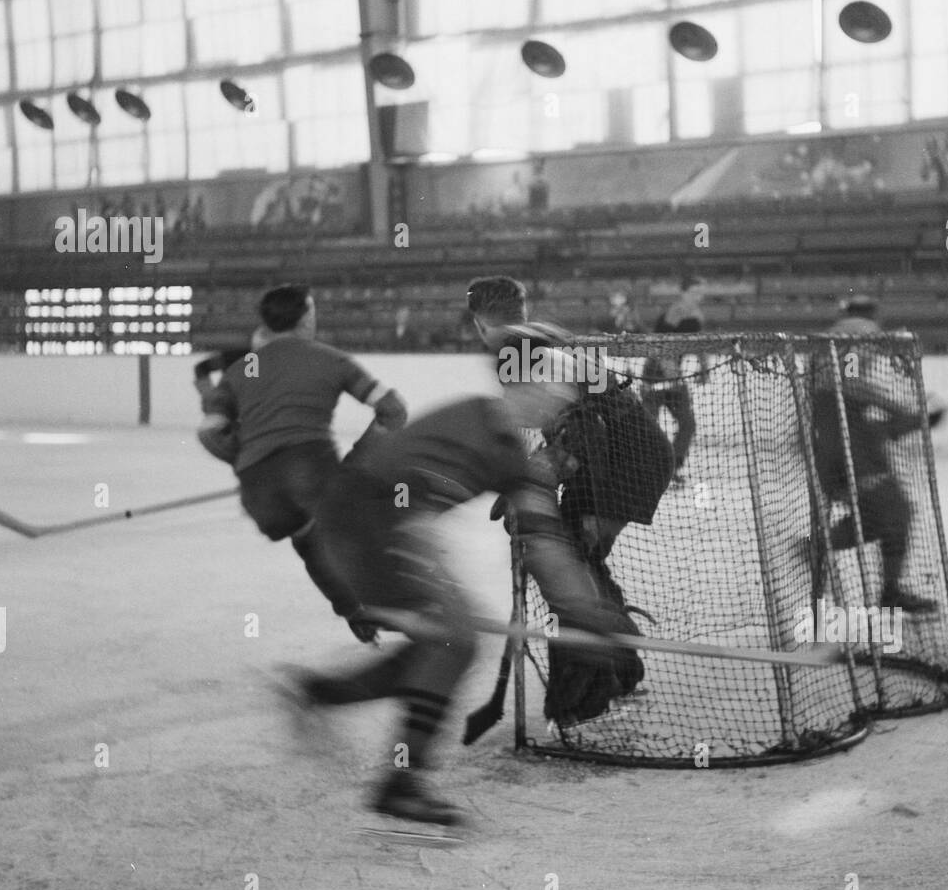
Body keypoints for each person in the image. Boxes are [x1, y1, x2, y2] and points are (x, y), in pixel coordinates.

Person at [271, 361, 636, 825]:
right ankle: (401, 783)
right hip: (364, 521)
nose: (554, 407)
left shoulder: (514, 460)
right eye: (549, 393)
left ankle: (321, 692)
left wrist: (586, 612)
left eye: (561, 402)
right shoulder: (470, 421)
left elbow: (544, 542)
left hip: (376, 524)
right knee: (454, 639)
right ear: (517, 388)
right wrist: (429, 566)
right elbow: (406, 492)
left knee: (440, 644)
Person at [465, 276, 673, 726]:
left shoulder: (514, 349)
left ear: (478, 320)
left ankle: (599, 679)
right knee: (580, 562)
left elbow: (583, 430)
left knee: (574, 561)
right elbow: (569, 426)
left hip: (621, 459)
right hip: (629, 452)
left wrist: (535, 478)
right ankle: (617, 665)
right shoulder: (539, 337)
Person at [195, 283, 408, 640]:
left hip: (257, 490)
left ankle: (355, 611)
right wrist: (357, 460)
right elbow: (393, 411)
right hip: (310, 465)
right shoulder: (330, 359)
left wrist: (243, 458)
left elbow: (209, 433)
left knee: (308, 540)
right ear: (307, 317)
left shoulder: (241, 369)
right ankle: (396, 608)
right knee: (359, 527)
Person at [811, 295, 942, 613]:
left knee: (885, 514)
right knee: (893, 511)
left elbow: (848, 396)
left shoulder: (829, 337)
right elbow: (849, 386)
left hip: (833, 438)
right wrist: (901, 408)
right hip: (849, 441)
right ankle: (884, 587)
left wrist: (910, 418)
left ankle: (822, 546)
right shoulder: (862, 331)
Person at [639, 275, 708, 483]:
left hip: (673, 376)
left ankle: (672, 467)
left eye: (701, 293)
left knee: (687, 423)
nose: (699, 296)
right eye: (695, 292)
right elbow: (660, 345)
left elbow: (697, 342)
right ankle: (647, 468)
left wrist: (704, 367)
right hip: (656, 374)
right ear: (684, 292)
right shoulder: (675, 312)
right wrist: (673, 375)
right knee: (648, 425)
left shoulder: (696, 315)